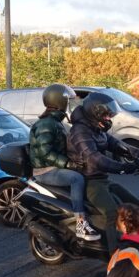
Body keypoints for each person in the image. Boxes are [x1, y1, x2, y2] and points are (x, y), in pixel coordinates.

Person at [68, 92, 139, 255]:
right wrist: (122, 167)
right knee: (112, 213)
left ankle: (137, 242)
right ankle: (115, 255)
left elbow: (116, 144)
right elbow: (94, 159)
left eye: (110, 114)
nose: (109, 118)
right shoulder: (80, 131)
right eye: (107, 115)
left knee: (135, 204)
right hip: (89, 180)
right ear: (95, 113)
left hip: (102, 178)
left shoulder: (97, 129)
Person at [29, 84, 99, 241]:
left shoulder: (55, 122)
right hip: (45, 170)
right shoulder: (45, 124)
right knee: (76, 178)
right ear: (59, 102)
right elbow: (45, 153)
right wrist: (69, 164)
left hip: (53, 167)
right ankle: (81, 224)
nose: (70, 105)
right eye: (68, 101)